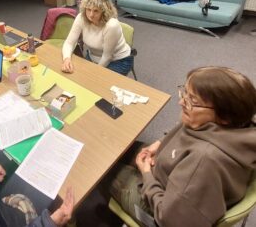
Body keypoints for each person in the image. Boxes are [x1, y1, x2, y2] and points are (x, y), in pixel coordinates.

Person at [109, 66, 256, 227]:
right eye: (185, 93)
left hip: (159, 209)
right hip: (172, 174)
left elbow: (169, 220)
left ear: (225, 117)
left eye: (193, 101)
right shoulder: (235, 124)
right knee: (117, 148)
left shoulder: (204, 161)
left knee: (103, 170)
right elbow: (183, 128)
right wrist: (161, 143)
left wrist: (146, 175)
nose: (181, 102)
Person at [61, 0, 133, 76]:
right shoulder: (81, 18)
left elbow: (107, 56)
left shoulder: (111, 25)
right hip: (93, 56)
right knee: (77, 75)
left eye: (96, 11)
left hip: (118, 61)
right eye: (88, 9)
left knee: (94, 81)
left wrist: (94, 73)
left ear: (104, 12)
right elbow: (69, 42)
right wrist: (66, 59)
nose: (91, 15)